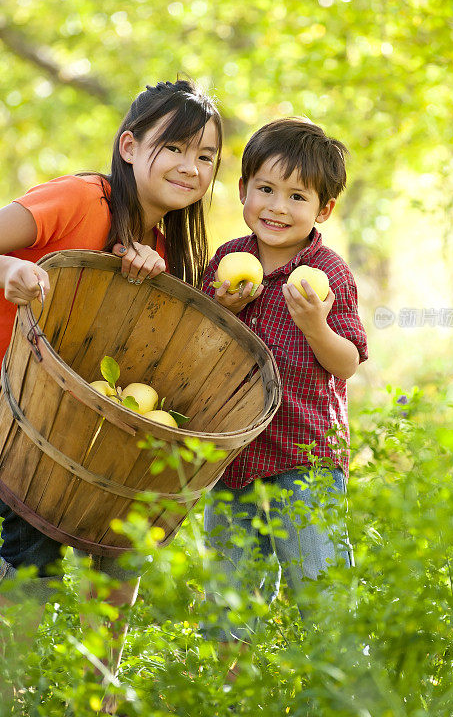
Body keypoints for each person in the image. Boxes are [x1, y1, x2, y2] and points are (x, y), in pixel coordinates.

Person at [0, 78, 223, 714]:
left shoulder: (158, 247)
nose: (190, 166)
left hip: (65, 411)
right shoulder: (78, 198)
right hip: (11, 405)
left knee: (119, 539)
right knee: (31, 551)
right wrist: (9, 267)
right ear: (129, 145)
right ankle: (14, 691)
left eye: (205, 155)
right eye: (174, 147)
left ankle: (97, 694)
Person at [201, 117, 368, 669]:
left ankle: (341, 683)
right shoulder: (228, 260)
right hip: (237, 453)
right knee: (232, 586)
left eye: (296, 196)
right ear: (243, 190)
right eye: (265, 189)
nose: (276, 206)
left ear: (323, 211)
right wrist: (223, 311)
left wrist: (317, 326)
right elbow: (199, 346)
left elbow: (349, 361)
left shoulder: (329, 273)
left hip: (306, 454)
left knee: (318, 577)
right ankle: (233, 687)